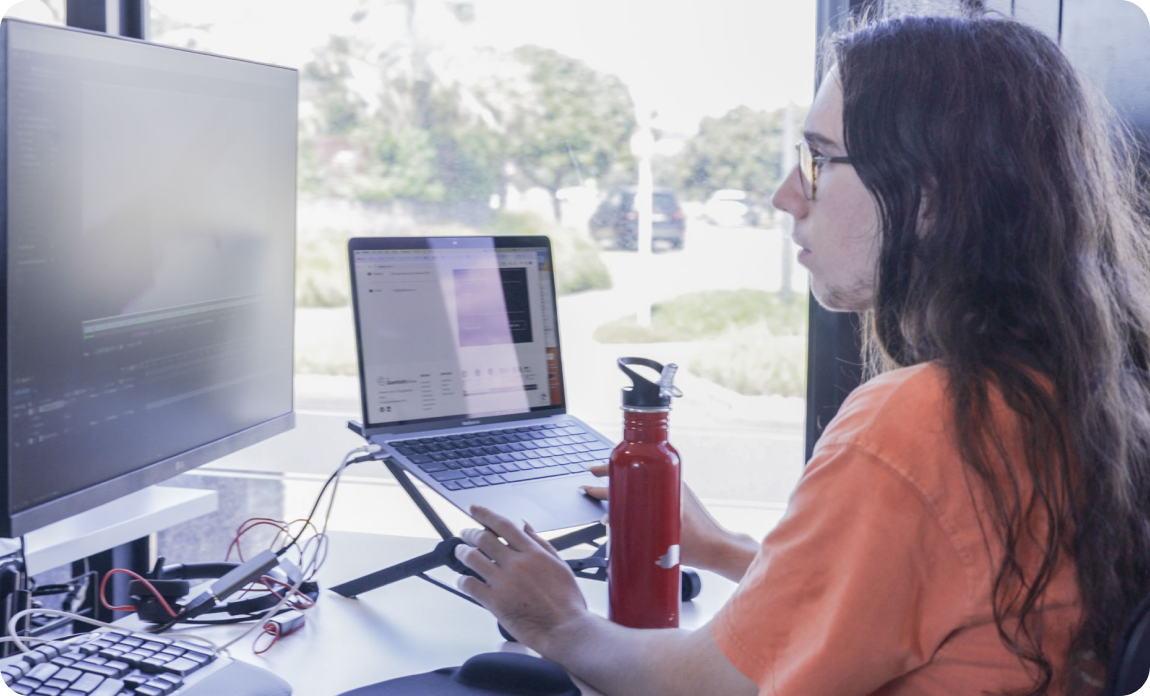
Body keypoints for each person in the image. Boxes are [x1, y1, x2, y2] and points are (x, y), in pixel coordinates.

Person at [451, 12, 1150, 696]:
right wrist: (723, 548)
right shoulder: (1065, 390)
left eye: (818, 160)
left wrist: (556, 621)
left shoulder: (924, 423)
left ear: (932, 195)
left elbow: (705, 685)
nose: (787, 195)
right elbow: (927, 595)